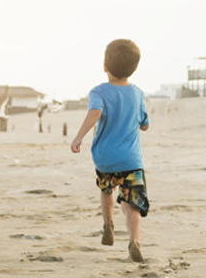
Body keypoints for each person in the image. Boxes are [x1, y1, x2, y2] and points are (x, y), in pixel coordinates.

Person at [70, 39, 150, 262]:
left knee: (107, 189)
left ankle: (108, 224)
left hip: (104, 159)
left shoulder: (99, 91)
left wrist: (79, 137)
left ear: (105, 66)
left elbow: (95, 112)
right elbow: (145, 124)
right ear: (134, 68)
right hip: (131, 160)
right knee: (131, 202)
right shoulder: (138, 94)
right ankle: (134, 241)